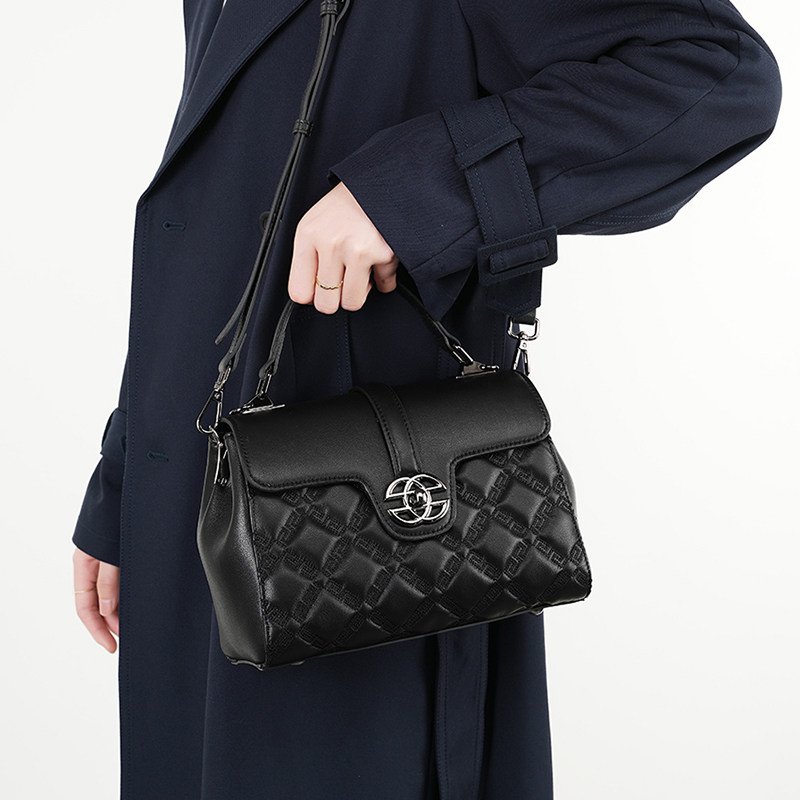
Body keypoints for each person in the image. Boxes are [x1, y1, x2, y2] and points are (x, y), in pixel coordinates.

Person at [71, 1, 781, 797]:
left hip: (377, 515)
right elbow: (220, 190)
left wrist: (415, 189)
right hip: (200, 479)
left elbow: (712, 74)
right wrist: (128, 473)